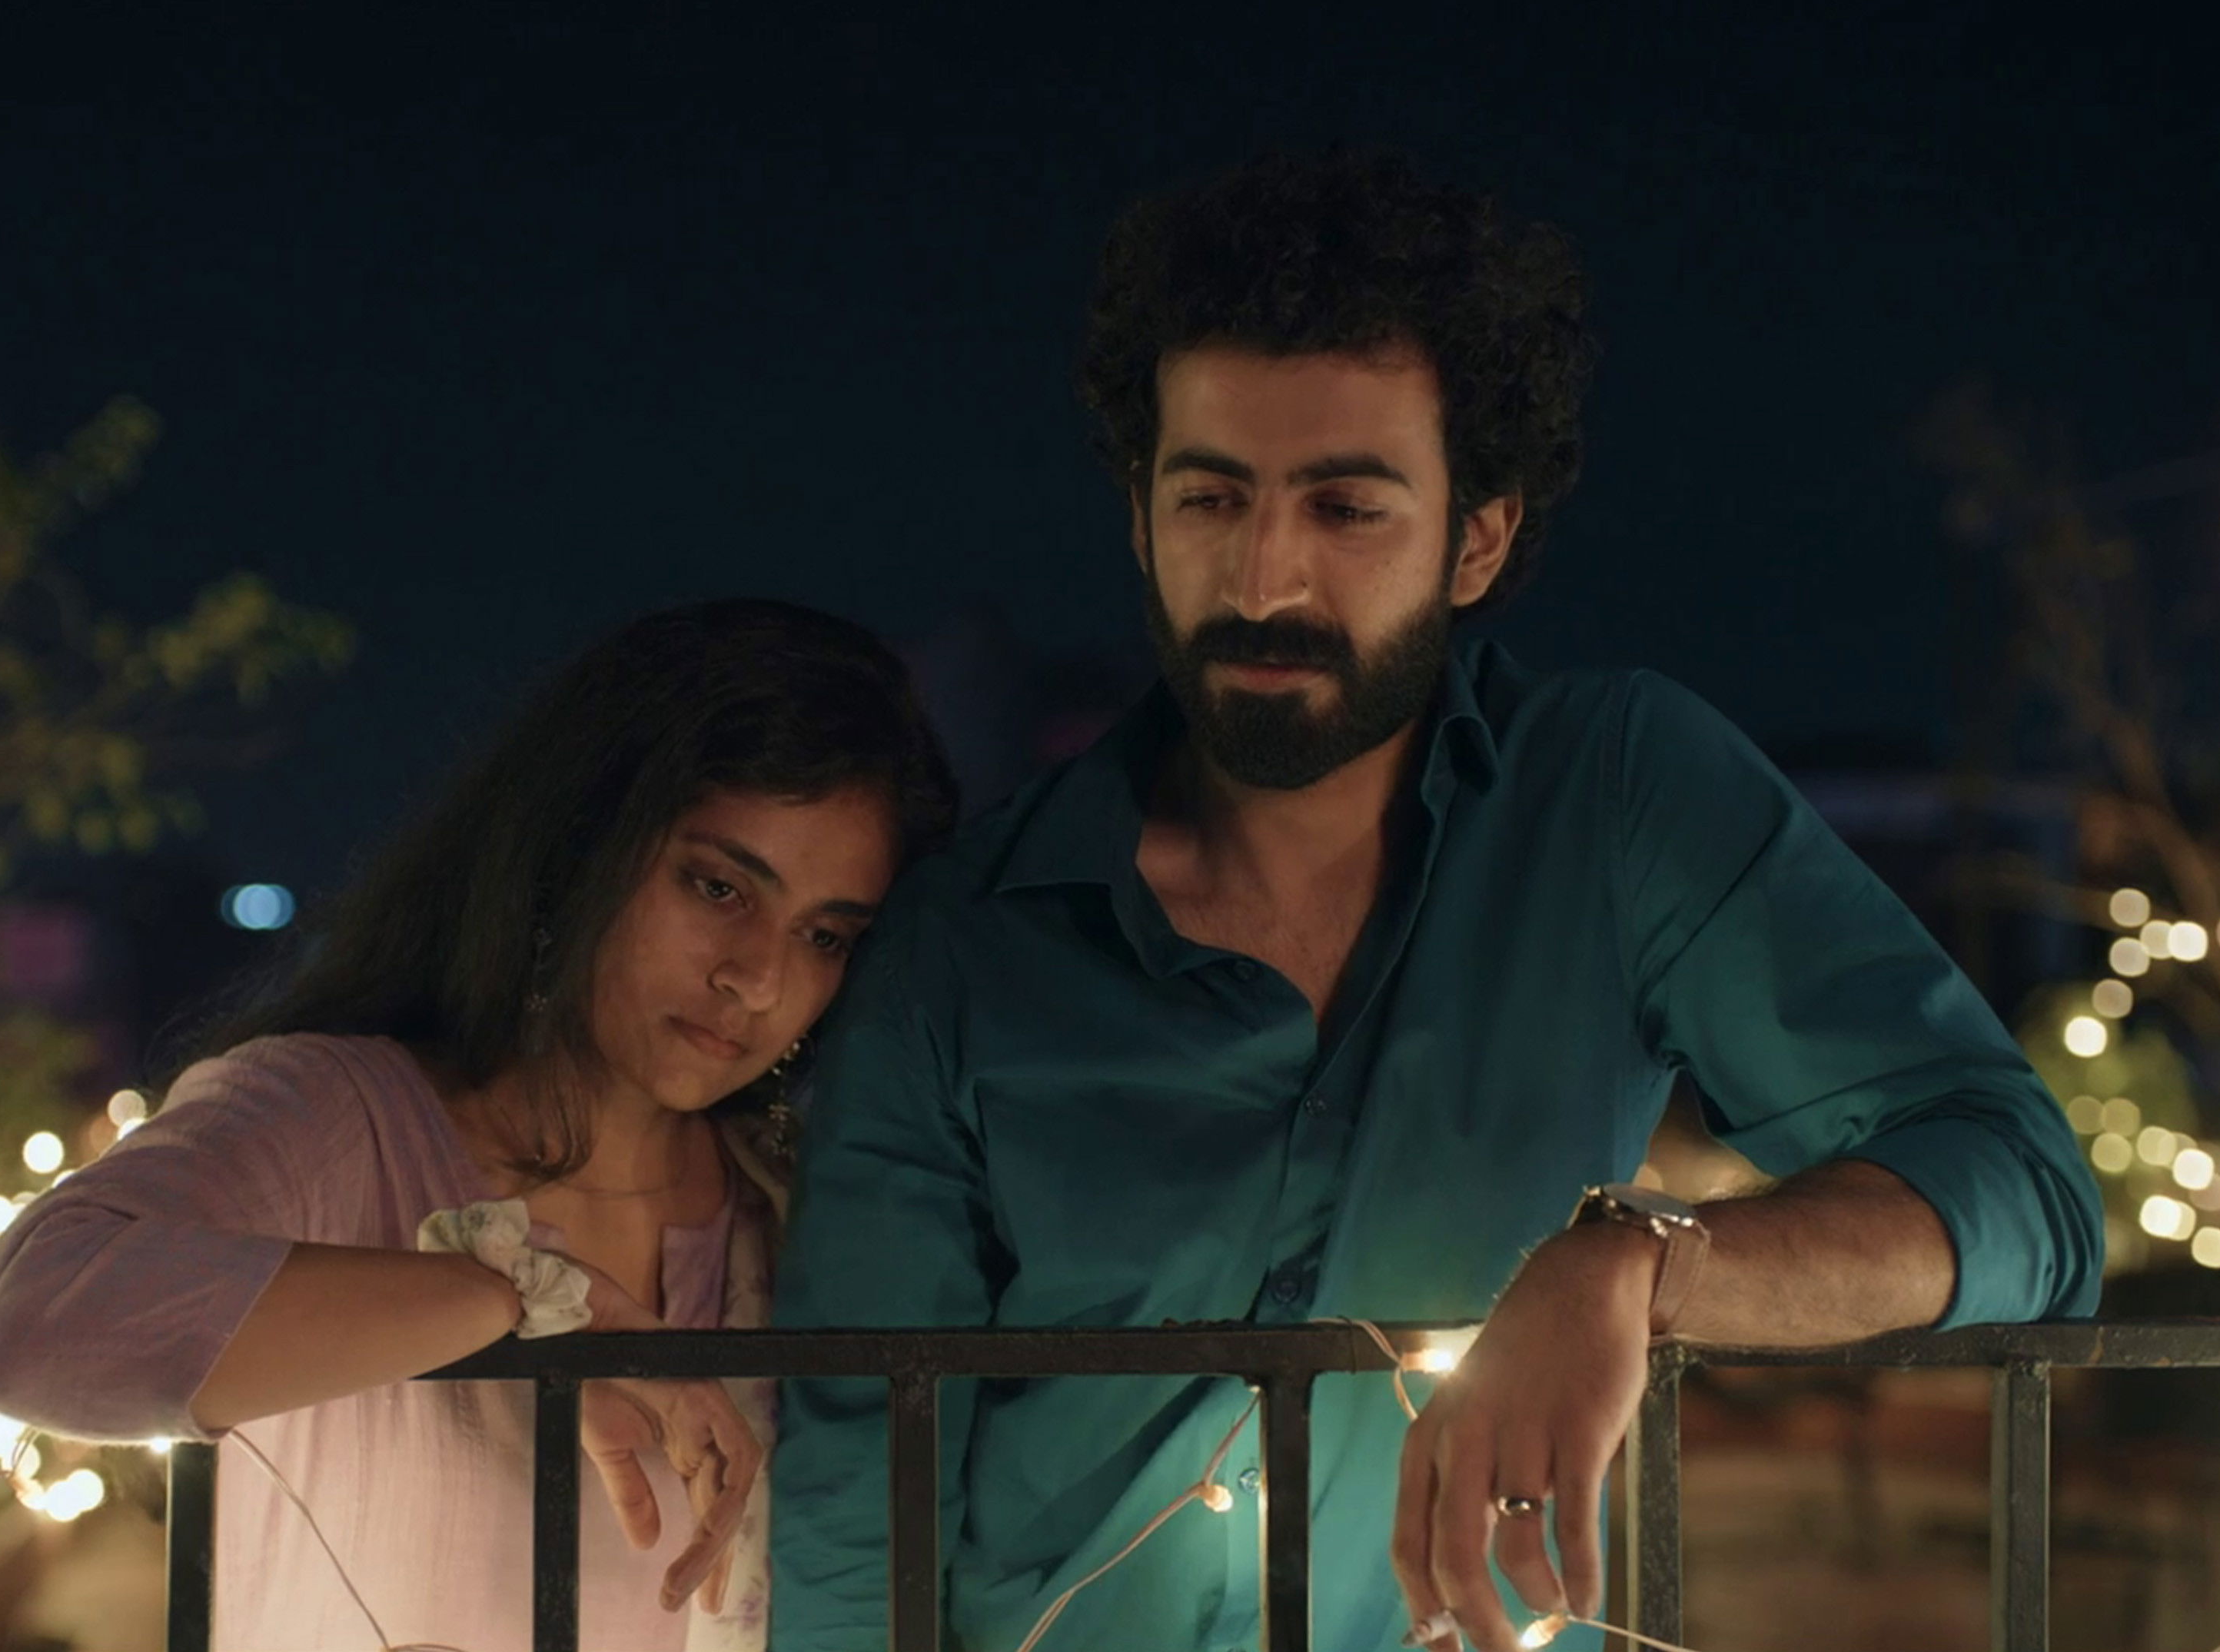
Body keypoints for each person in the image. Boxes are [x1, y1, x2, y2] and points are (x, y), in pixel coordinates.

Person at [766, 153, 2103, 1652]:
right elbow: (853, 1484)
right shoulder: (966, 937)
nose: (1264, 577)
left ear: (1478, 538)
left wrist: (1638, 1264)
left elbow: (2024, 1193)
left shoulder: (1617, 797)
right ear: (1139, 516)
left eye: (1346, 506)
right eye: (1210, 496)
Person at [0, 599, 958, 1652]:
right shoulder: (339, 1121)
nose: (759, 979)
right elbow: (25, 1329)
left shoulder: (791, 1212)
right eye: (718, 887)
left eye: (825, 936)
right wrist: (516, 1301)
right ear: (581, 844)